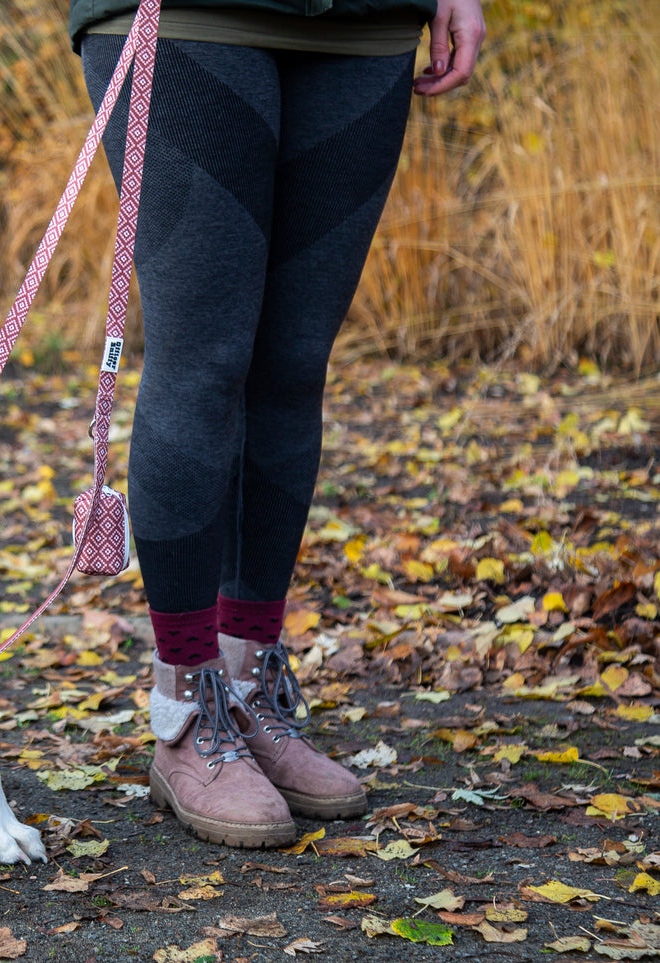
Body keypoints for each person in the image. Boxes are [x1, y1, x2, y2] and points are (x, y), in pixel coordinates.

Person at [69, 0, 485, 847]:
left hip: (364, 19)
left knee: (293, 364)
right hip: (190, 18)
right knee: (203, 358)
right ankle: (185, 711)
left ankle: (248, 686)